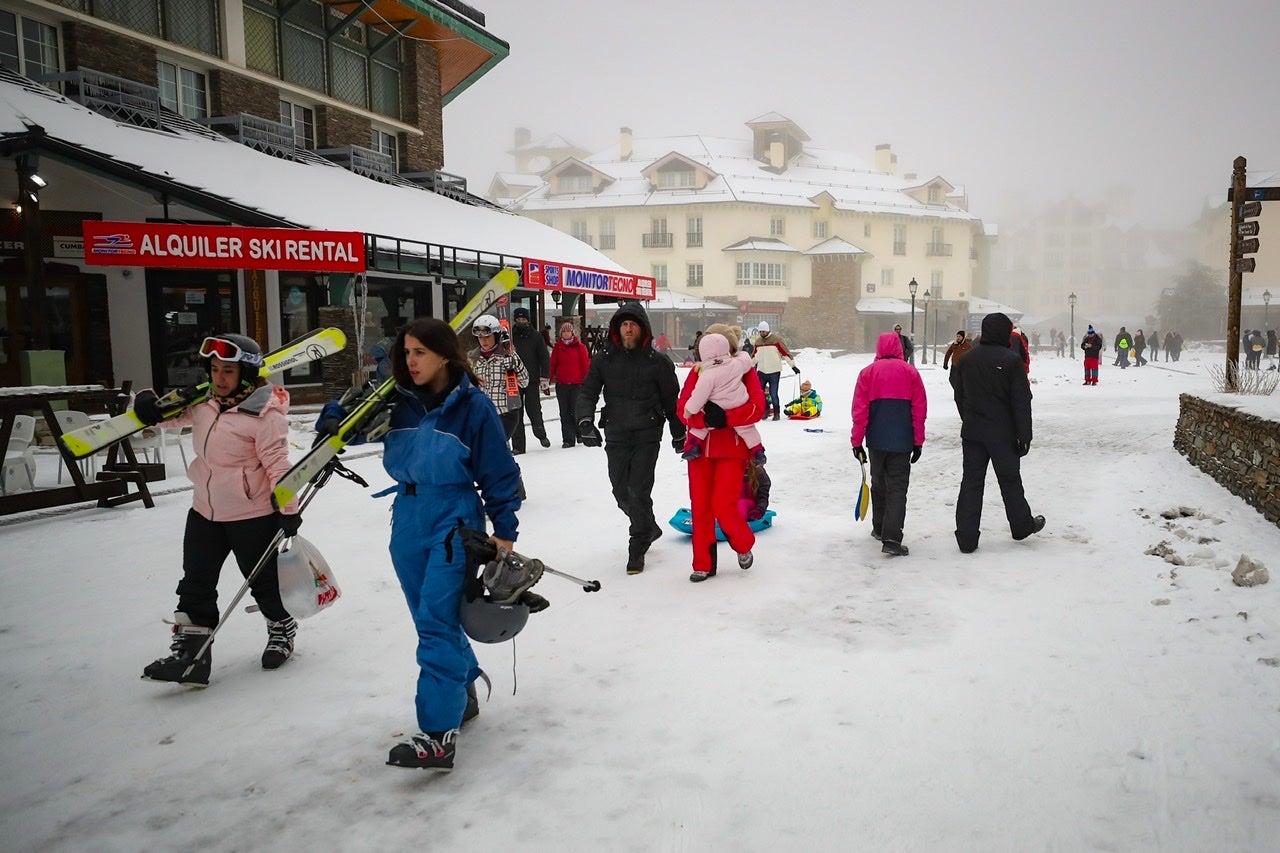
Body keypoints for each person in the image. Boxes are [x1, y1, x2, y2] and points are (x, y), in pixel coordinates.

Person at [341, 318, 521, 771]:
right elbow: (344, 433)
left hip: (453, 520)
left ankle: (439, 733)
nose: (411, 361)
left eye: (419, 352)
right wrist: (343, 413)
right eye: (406, 353)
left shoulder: (472, 407)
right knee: (430, 620)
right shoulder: (395, 402)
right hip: (406, 517)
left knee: (436, 623)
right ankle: (462, 691)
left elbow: (500, 472)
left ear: (444, 354)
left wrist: (503, 532)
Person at [134, 334, 301, 686]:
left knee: (263, 583)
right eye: (214, 369)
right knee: (195, 584)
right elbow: (165, 419)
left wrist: (288, 509)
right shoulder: (204, 402)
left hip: (252, 514)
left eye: (228, 370)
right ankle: (191, 658)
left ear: (246, 373)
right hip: (204, 512)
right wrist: (146, 402)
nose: (219, 378)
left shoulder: (264, 414)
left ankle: (281, 627)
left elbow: (277, 464)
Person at [576, 302, 686, 574]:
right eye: (624, 324)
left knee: (638, 489)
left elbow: (672, 400)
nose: (628, 328)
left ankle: (637, 543)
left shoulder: (658, 363)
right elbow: (588, 391)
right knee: (620, 491)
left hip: (647, 432)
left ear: (642, 329)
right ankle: (648, 525)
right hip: (616, 431)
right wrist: (585, 420)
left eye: (633, 324)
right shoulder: (604, 359)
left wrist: (678, 431)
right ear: (617, 328)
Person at [950, 312, 1045, 554]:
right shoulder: (1011, 361)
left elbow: (959, 393)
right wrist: (1025, 436)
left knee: (971, 482)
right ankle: (1021, 526)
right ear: (1003, 332)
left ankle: (967, 538)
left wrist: (968, 418)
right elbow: (1021, 402)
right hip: (1004, 433)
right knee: (1010, 481)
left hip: (973, 432)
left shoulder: (967, 360)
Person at [677, 323, 766, 581]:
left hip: (732, 447)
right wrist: (704, 420)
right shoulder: (700, 371)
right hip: (700, 450)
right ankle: (703, 563)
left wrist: (726, 417)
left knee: (724, 505)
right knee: (701, 506)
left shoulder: (742, 371)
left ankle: (743, 543)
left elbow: (757, 407)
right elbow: (683, 406)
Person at [851, 331, 927, 557]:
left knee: (879, 483)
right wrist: (918, 441)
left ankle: (878, 527)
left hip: (876, 441)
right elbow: (919, 411)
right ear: (899, 348)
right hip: (902, 441)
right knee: (897, 487)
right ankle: (892, 536)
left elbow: (860, 412)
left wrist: (857, 441)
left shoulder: (867, 374)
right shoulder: (910, 373)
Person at [681, 331, 765, 464]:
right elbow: (746, 360)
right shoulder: (737, 364)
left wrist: (689, 410)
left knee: (699, 429)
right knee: (747, 429)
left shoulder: (707, 375)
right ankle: (758, 450)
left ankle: (693, 446)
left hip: (717, 405)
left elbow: (697, 397)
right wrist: (741, 354)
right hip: (738, 402)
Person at [468, 314, 528, 446]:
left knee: (494, 446)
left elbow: (524, 381)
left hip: (505, 414)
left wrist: (514, 364)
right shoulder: (473, 359)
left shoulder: (508, 355)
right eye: (480, 337)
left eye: (487, 336)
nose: (483, 340)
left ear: (496, 335)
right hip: (482, 415)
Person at [510, 306, 551, 454]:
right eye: (519, 319)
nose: (521, 321)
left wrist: (545, 376)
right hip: (513, 380)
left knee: (534, 409)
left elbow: (544, 357)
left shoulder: (536, 336)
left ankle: (541, 434)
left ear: (528, 320)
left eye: (524, 319)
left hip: (532, 379)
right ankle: (518, 446)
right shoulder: (509, 337)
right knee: (516, 412)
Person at [548, 321, 590, 448]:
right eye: (564, 331)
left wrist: (587, 382)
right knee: (564, 412)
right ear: (561, 333)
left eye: (568, 331)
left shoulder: (580, 347)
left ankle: (579, 433)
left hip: (577, 384)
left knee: (575, 411)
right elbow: (553, 365)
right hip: (562, 384)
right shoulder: (558, 347)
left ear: (572, 332)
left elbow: (585, 365)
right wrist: (547, 381)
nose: (566, 333)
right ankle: (568, 439)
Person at [751, 320, 799, 421]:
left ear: (768, 330)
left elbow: (785, 353)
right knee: (760, 393)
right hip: (762, 371)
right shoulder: (758, 342)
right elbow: (755, 356)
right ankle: (765, 410)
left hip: (774, 371)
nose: (762, 333)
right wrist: (749, 366)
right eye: (760, 331)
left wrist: (793, 366)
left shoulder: (776, 340)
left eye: (764, 331)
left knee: (773, 393)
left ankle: (776, 412)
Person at [737, 455, 771, 523]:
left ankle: (736, 523)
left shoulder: (759, 473)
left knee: (741, 504)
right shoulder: (730, 470)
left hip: (751, 506)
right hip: (732, 504)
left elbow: (763, 496)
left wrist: (759, 510)